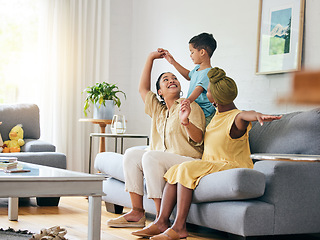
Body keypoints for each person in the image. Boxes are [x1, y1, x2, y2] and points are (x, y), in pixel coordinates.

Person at [132, 67, 282, 239]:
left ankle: (180, 226)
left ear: (216, 96)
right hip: (211, 163)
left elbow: (246, 115)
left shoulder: (236, 117)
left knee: (185, 169)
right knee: (174, 171)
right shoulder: (217, 115)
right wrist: (185, 121)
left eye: (208, 90)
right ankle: (161, 221)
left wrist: (258, 115)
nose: (206, 92)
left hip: (229, 164)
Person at [107, 50, 206, 228]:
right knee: (131, 154)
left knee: (150, 156)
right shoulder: (158, 110)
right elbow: (143, 89)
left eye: (174, 78)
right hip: (163, 159)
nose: (172, 81)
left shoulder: (189, 105)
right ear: (160, 92)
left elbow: (199, 138)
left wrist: (186, 122)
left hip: (187, 160)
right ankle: (137, 213)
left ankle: (162, 219)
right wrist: (150, 58)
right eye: (166, 80)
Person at [159, 32, 217, 126]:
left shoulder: (208, 72)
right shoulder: (197, 69)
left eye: (192, 52)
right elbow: (188, 75)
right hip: (196, 111)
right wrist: (172, 62)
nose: (190, 55)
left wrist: (188, 100)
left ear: (202, 52)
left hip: (206, 115)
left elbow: (199, 89)